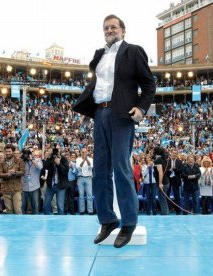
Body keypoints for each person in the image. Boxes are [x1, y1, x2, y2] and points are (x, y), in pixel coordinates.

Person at [73, 14, 156, 248]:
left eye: (113, 27)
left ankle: (128, 223)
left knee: (121, 168)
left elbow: (149, 84)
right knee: (100, 171)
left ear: (123, 30)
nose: (109, 30)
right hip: (100, 114)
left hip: (122, 116)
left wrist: (141, 108)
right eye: (105, 28)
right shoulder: (99, 55)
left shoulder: (133, 51)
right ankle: (108, 219)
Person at [0, 144, 25, 214]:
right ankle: (10, 225)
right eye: (6, 151)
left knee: (18, 210)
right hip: (6, 189)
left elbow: (23, 172)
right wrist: (7, 174)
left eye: (9, 151)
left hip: (16, 189)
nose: (8, 153)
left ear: (13, 151)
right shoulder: (1, 162)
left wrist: (15, 172)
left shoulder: (20, 161)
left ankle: (19, 224)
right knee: (9, 211)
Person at [21, 149, 43, 214]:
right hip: (24, 187)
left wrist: (32, 159)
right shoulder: (23, 161)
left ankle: (36, 220)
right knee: (22, 206)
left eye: (36, 155)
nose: (26, 155)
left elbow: (40, 167)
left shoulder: (38, 160)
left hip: (34, 187)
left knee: (35, 206)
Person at [75, 148, 94, 215]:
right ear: (80, 153)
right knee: (81, 195)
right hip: (80, 178)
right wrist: (84, 160)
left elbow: (90, 167)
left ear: (87, 152)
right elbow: (78, 168)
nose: (84, 153)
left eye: (85, 152)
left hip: (88, 178)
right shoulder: (78, 159)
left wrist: (87, 159)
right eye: (82, 152)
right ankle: (82, 210)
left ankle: (90, 210)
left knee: (89, 195)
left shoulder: (91, 159)